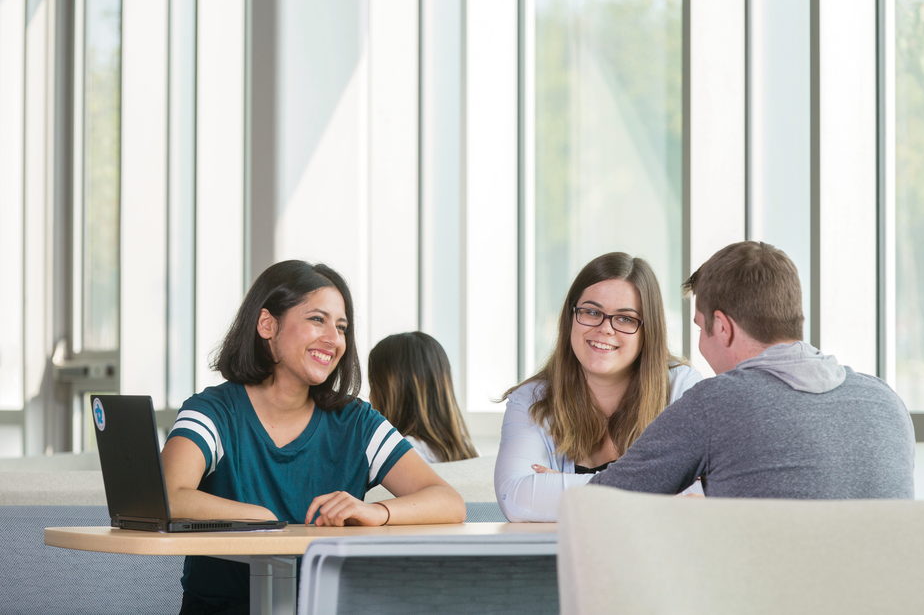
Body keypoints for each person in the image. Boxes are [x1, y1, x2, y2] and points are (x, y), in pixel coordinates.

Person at [162, 260, 465, 614]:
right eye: (317, 319)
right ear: (267, 325)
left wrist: (376, 512)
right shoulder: (213, 411)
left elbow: (448, 501)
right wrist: (264, 519)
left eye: (341, 327)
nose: (334, 339)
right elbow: (168, 496)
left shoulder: (356, 422)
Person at [590, 241, 915, 499]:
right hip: (885, 583)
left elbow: (601, 503)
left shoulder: (714, 404)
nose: (701, 345)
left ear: (723, 327)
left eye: (701, 329)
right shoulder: (886, 401)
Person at [494, 252, 702, 522]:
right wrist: (660, 491)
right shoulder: (531, 399)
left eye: (625, 318)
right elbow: (517, 497)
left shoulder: (682, 388)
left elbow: (706, 494)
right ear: (571, 318)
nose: (605, 329)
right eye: (592, 312)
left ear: (647, 330)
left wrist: (568, 487)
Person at [368, 331, 478, 463]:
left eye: (373, 385)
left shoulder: (398, 454)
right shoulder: (470, 451)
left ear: (388, 392)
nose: (370, 396)